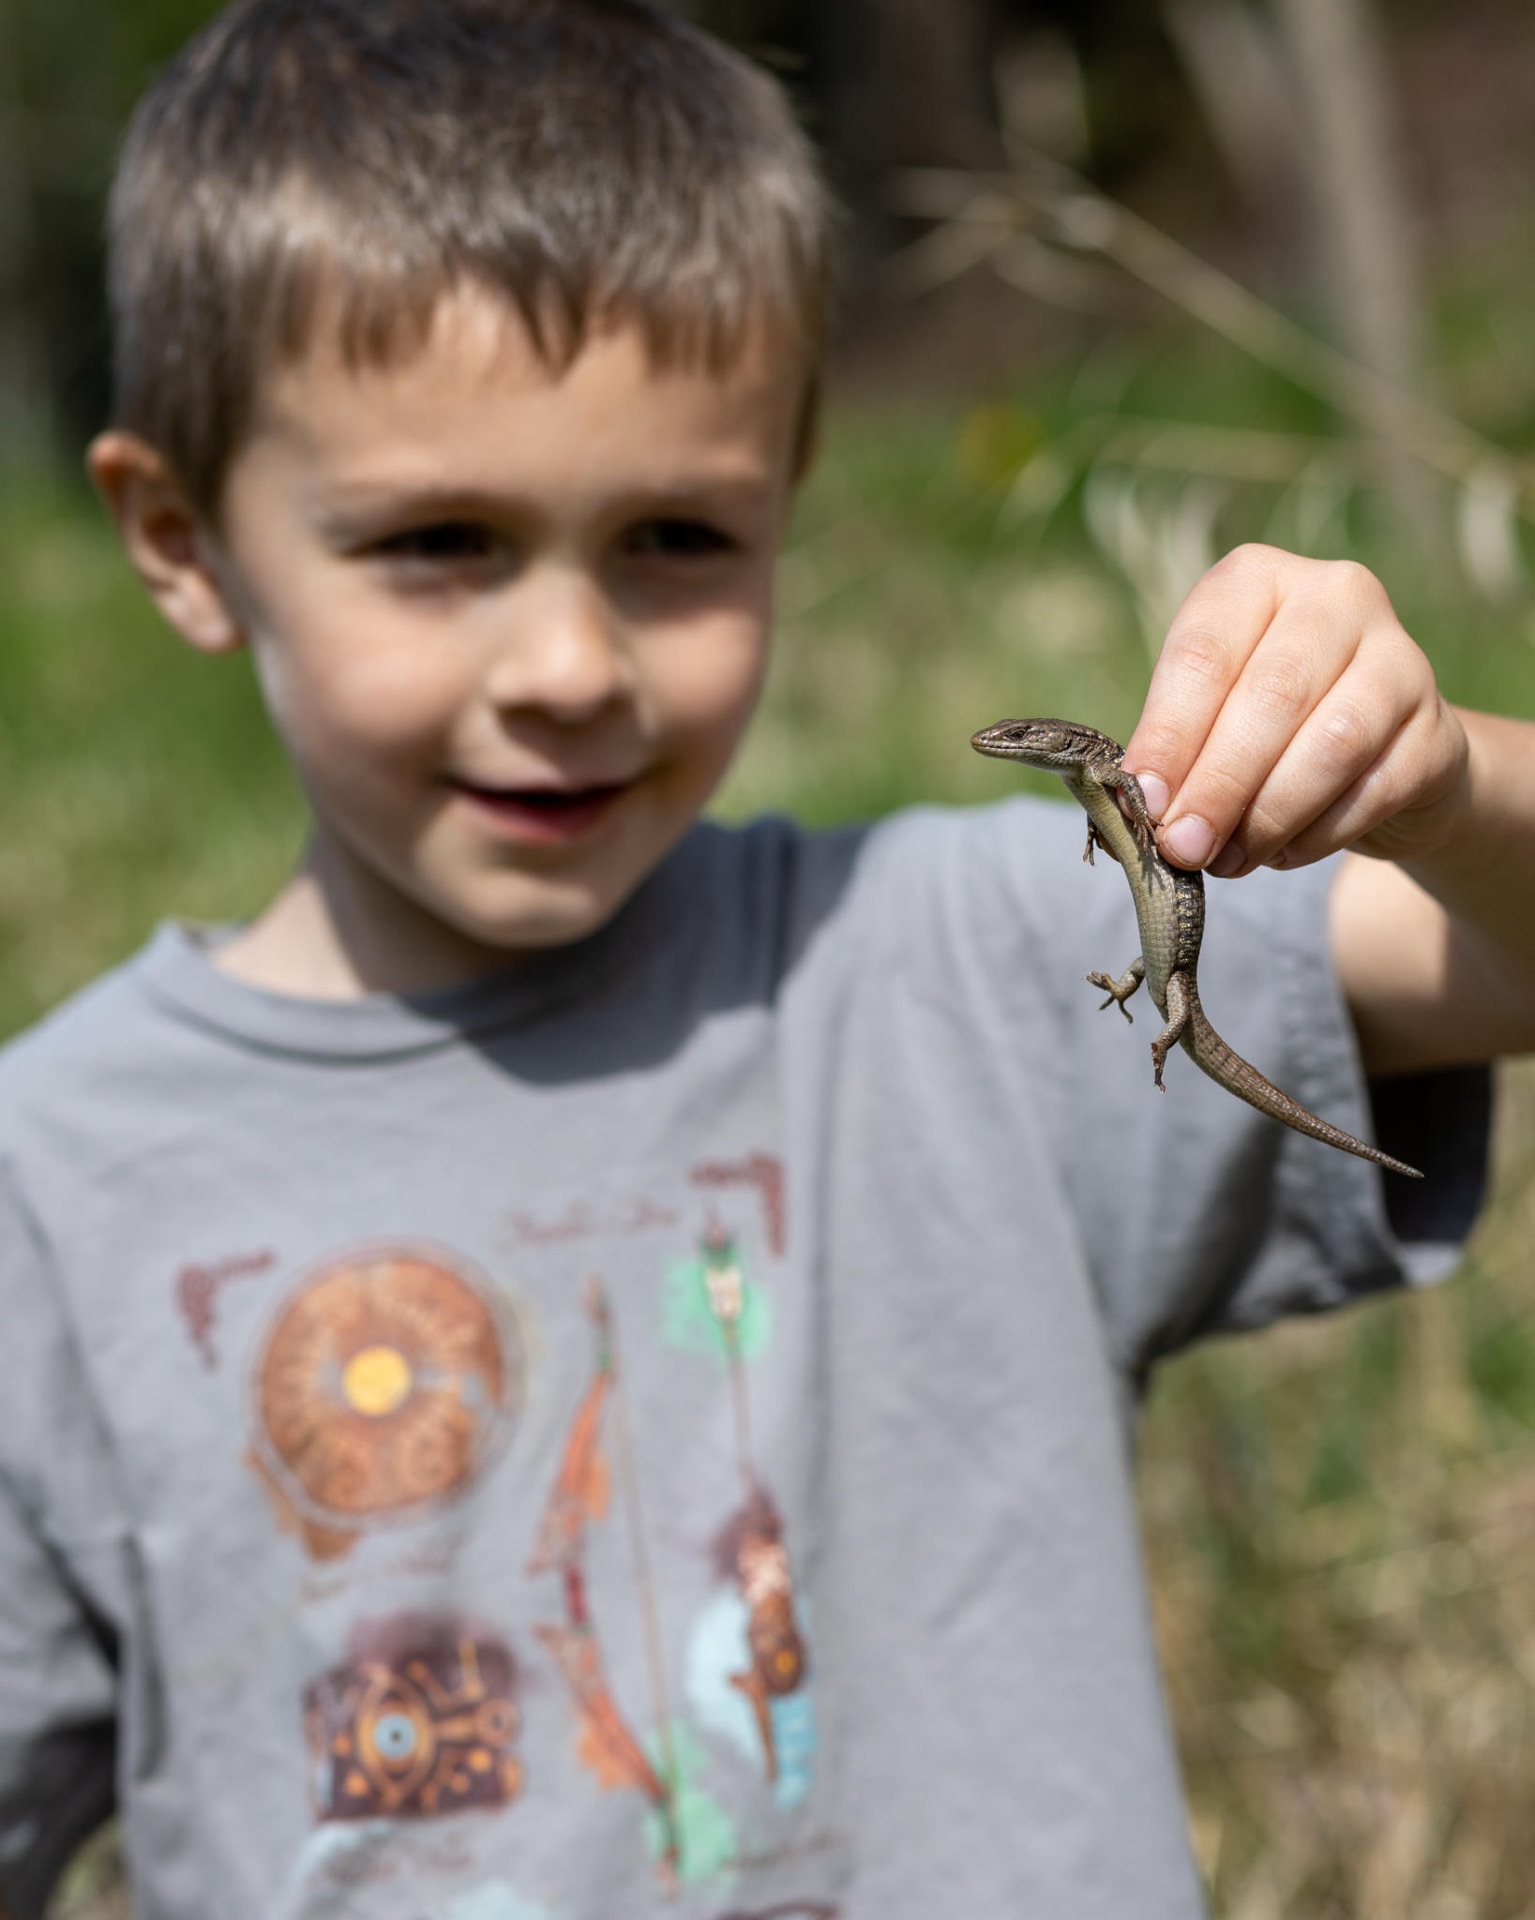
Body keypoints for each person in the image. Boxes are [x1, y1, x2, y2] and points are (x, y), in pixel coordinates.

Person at [1, 2, 1531, 1916]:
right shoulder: (44, 1196)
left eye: (675, 535)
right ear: (178, 538)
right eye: (438, 542)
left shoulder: (944, 970)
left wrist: (1447, 780)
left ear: (793, 495)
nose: (570, 668)